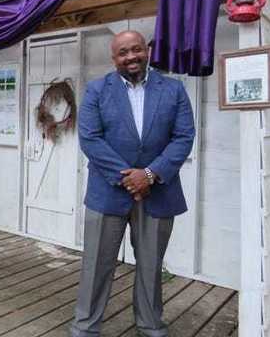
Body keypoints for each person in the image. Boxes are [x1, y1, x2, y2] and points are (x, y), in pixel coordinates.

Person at [70, 31, 195, 337]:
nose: (131, 57)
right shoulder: (97, 90)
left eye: (136, 50)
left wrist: (150, 174)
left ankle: (150, 326)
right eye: (123, 52)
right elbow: (90, 138)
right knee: (96, 265)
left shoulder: (174, 89)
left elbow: (184, 136)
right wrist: (130, 177)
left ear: (146, 51)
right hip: (107, 192)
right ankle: (85, 328)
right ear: (114, 59)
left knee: (151, 266)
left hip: (158, 192)